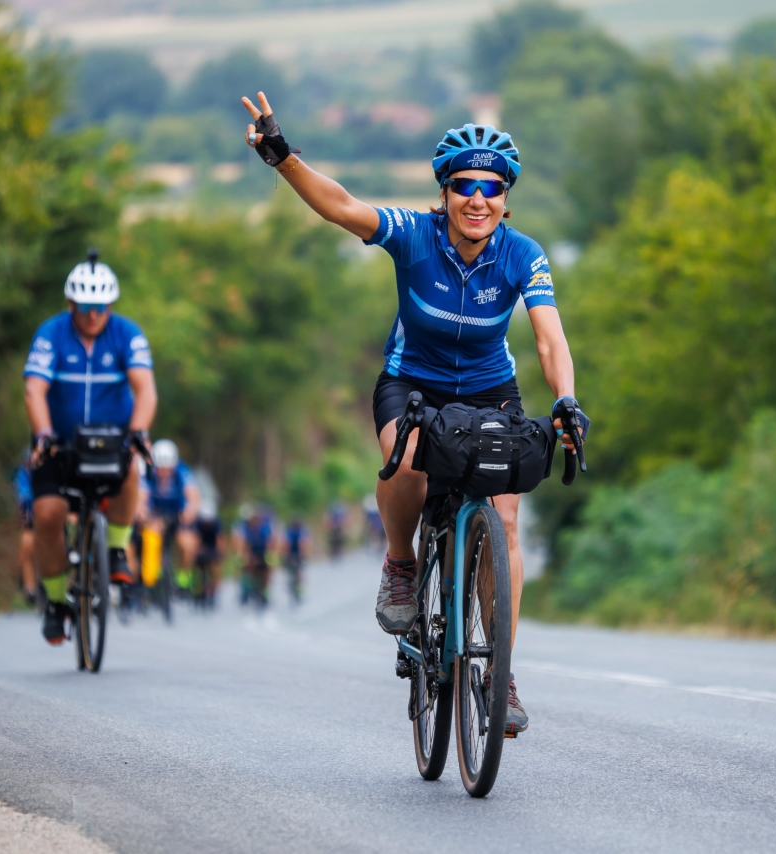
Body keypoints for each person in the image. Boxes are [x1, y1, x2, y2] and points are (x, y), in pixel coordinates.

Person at [240, 94, 589, 735]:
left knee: (507, 522)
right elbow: (342, 206)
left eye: (491, 187)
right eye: (464, 186)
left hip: (490, 392)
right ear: (444, 193)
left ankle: (499, 669)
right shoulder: (413, 235)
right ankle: (401, 563)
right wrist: (282, 157)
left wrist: (565, 398)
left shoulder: (523, 254)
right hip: (413, 385)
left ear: (506, 199)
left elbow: (549, 339)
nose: (477, 199)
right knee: (403, 463)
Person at [23, 249, 157, 646]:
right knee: (47, 514)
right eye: (85, 307)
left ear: (111, 305)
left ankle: (115, 550)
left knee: (131, 468)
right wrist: (43, 433)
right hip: (59, 444)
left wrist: (138, 431)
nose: (94, 315)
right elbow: (34, 389)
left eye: (101, 307)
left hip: (110, 441)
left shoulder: (127, 333)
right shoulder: (51, 333)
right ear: (71, 304)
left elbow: (145, 388)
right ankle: (54, 602)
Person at [145, 438, 202, 594]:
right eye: (160, 468)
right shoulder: (149, 473)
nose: (163, 472)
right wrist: (146, 515)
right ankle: (152, 578)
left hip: (178, 514)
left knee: (187, 543)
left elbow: (193, 497)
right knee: (151, 536)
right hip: (156, 514)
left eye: (167, 468)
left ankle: (182, 576)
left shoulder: (183, 471)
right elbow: (141, 499)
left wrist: (189, 513)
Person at [12, 448, 39, 608]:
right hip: (31, 521)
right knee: (25, 547)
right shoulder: (22, 475)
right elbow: (22, 497)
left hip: (51, 519)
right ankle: (30, 588)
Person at [235, 504, 275, 609]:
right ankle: (245, 589)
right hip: (250, 551)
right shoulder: (243, 528)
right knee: (244, 566)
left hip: (263, 551)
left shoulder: (264, 527)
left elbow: (269, 541)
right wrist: (243, 555)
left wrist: (270, 554)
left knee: (269, 567)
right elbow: (241, 543)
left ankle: (265, 590)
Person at [193, 501, 224, 609]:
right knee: (198, 569)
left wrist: (220, 553)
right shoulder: (198, 524)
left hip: (212, 548)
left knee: (215, 569)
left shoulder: (217, 524)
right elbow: (196, 538)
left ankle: (213, 592)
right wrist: (196, 550)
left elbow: (219, 539)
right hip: (201, 548)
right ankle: (198, 591)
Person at [283, 517, 310, 604]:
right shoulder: (289, 532)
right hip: (291, 553)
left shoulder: (300, 532)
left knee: (297, 572)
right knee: (295, 572)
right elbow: (287, 544)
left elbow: (303, 544)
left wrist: (303, 554)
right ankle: (294, 586)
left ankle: (296, 587)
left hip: (296, 553)